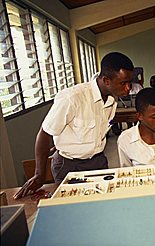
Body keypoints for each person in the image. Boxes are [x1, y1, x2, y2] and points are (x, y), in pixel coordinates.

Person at [14, 52, 134, 199]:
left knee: (102, 205)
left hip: (98, 161)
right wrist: (39, 175)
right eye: (123, 83)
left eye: (130, 83)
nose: (128, 88)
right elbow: (44, 134)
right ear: (106, 80)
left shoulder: (111, 100)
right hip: (69, 166)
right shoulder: (72, 98)